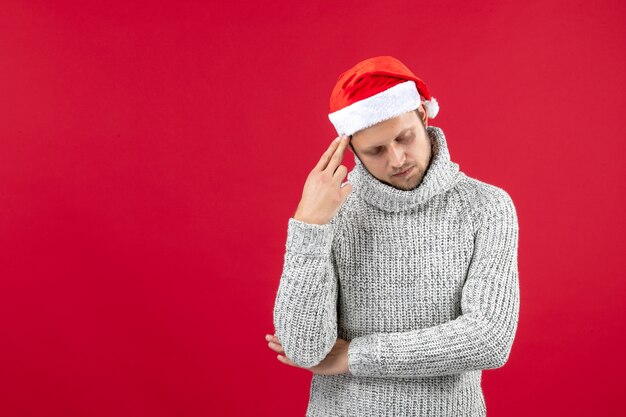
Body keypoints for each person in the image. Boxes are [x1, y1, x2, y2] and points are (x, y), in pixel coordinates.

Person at [266, 55, 520, 416]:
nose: (397, 158)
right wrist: (309, 226)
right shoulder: (330, 211)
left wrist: (355, 355)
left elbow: (489, 339)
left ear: (424, 115)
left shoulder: (486, 207)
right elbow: (305, 348)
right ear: (350, 148)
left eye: (405, 138)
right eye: (376, 150)